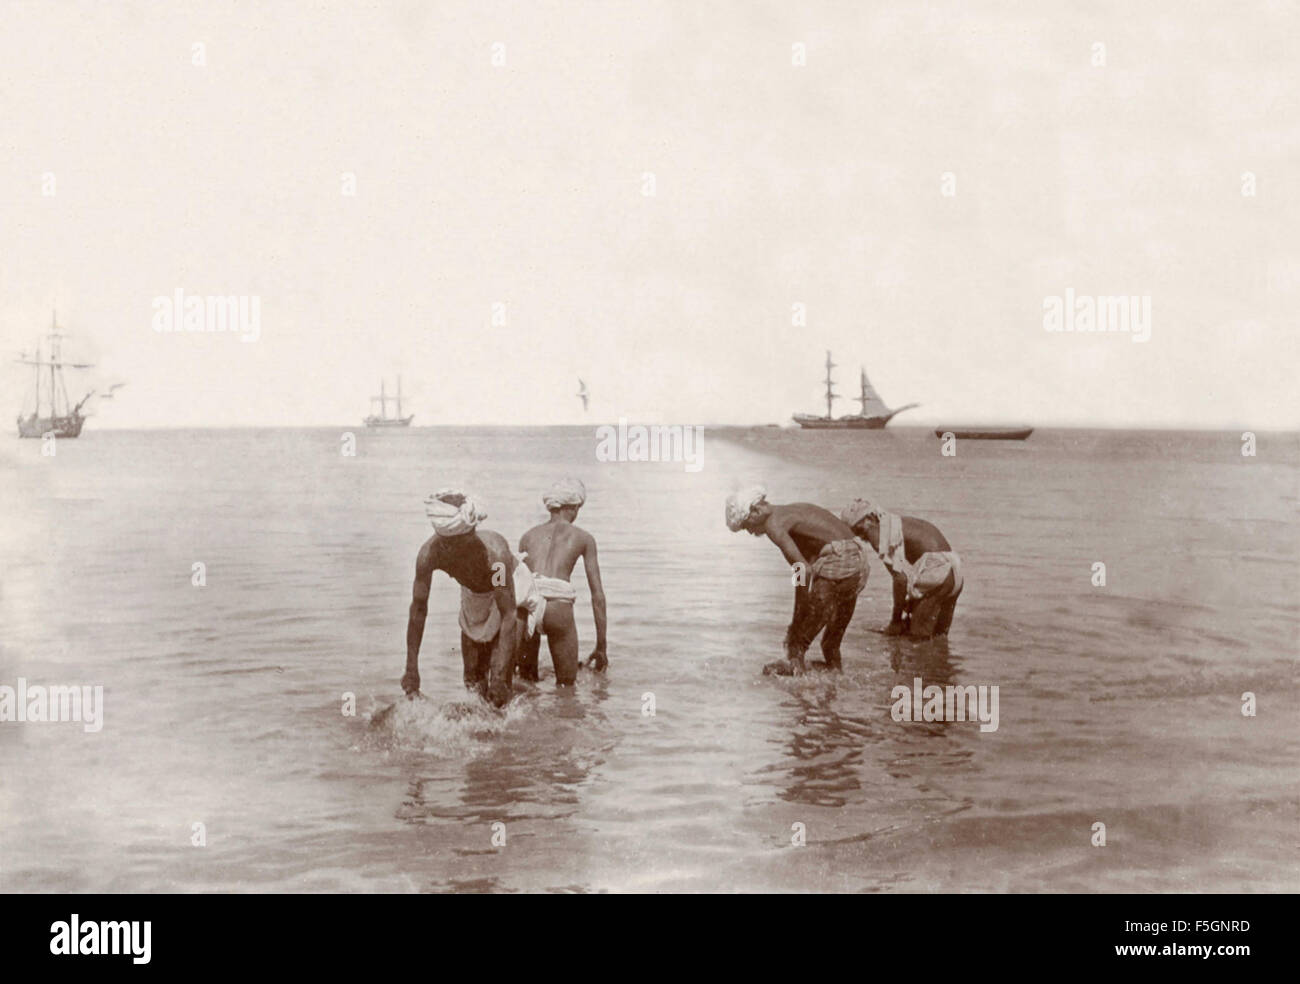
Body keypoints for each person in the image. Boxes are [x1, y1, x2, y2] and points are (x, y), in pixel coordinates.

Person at [403, 488, 540, 707]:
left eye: (462, 542)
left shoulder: (493, 557)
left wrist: (498, 674)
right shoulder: (430, 555)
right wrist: (411, 668)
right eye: (449, 544)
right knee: (473, 686)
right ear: (442, 538)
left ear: (472, 532)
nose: (456, 550)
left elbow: (508, 613)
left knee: (501, 688)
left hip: (510, 598)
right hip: (474, 599)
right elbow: (418, 610)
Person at [725, 486, 868, 675]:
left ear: (756, 511)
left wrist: (797, 621)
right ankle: (834, 683)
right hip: (859, 560)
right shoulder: (793, 509)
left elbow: (802, 570)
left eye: (747, 526)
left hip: (839, 561)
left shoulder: (773, 524)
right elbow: (808, 562)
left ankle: (800, 690)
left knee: (797, 644)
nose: (751, 532)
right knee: (830, 644)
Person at [517, 477, 607, 686]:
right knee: (567, 687)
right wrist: (601, 646)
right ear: (574, 506)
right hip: (558, 608)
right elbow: (598, 596)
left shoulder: (527, 536)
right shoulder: (584, 538)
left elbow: (516, 582)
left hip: (528, 606)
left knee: (525, 684)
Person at [840, 498, 962, 639]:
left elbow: (900, 579)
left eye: (859, 530)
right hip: (954, 571)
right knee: (939, 638)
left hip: (937, 573)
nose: (862, 537)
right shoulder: (895, 522)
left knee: (918, 640)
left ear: (870, 519)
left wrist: (895, 620)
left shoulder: (878, 533)